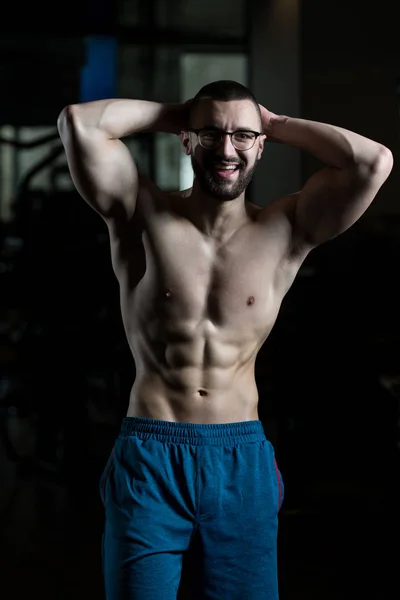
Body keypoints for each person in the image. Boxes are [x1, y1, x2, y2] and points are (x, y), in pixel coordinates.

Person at [57, 80, 393, 599]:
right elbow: (81, 123)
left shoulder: (286, 229)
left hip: (240, 461)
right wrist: (187, 116)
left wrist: (273, 124)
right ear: (187, 141)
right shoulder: (141, 214)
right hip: (151, 452)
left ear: (260, 145)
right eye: (210, 136)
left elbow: (372, 162)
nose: (227, 150)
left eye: (243, 137)